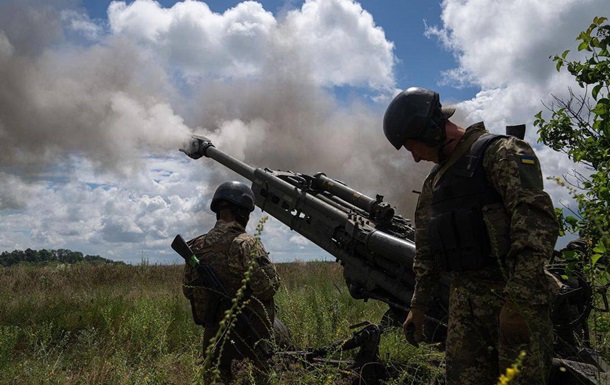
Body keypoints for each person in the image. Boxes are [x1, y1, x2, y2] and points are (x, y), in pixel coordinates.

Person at [383, 87, 559, 384]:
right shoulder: (435, 183)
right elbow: (426, 249)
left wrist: (519, 303)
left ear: (433, 131)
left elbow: (535, 228)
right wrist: (419, 306)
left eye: (414, 147)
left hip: (512, 300)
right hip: (465, 306)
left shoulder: (501, 154)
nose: (414, 159)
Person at [182, 181, 280, 384]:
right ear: (242, 212)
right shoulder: (245, 244)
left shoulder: (196, 247)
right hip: (249, 341)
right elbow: (268, 289)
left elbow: (188, 291)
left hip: (213, 340)